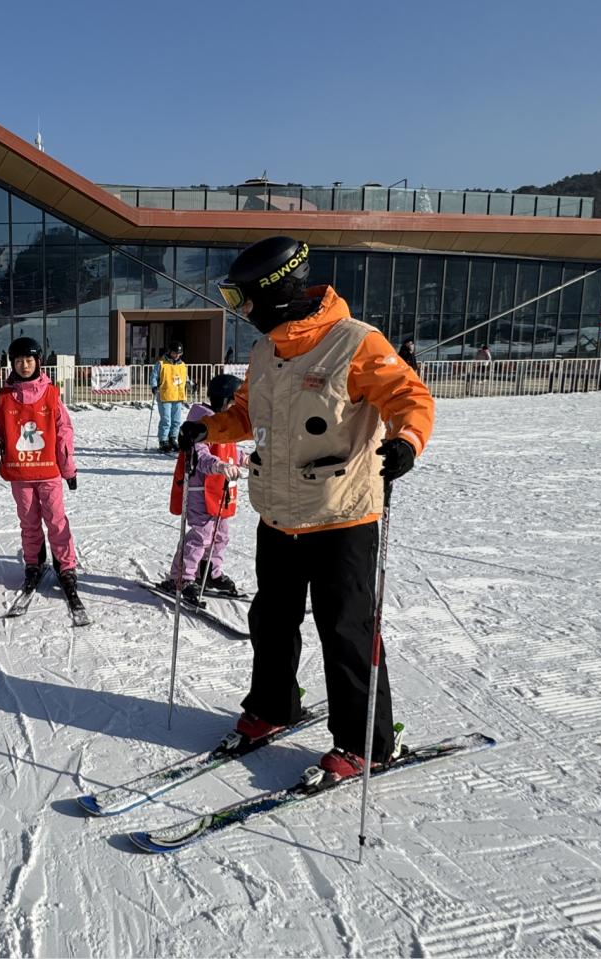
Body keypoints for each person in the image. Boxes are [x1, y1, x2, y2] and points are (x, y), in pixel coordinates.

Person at [183, 235, 435, 782]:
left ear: (274, 293)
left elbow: (409, 398)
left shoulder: (355, 342)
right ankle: (272, 707)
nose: (241, 312)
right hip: (277, 512)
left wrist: (405, 442)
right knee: (271, 619)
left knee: (345, 628)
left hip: (343, 513)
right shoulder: (267, 350)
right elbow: (249, 413)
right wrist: (210, 427)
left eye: (243, 300)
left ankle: (367, 740)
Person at [0, 336, 81, 603]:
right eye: (19, 361)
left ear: (38, 361)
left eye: (29, 360)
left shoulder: (51, 393)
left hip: (48, 471)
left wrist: (68, 470)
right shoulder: (6, 395)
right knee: (29, 521)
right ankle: (33, 563)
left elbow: (63, 433)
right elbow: (1, 425)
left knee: (56, 520)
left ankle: (66, 566)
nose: (24, 365)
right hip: (20, 472)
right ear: (12, 363)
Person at [164, 373, 250, 602]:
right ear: (223, 400)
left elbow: (229, 450)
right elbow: (199, 455)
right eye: (233, 403)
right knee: (200, 536)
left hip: (222, 491)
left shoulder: (224, 424)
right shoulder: (201, 424)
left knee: (221, 536)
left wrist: (245, 459)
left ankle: (210, 572)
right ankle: (182, 577)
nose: (235, 408)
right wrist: (218, 465)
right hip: (201, 491)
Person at [150, 340, 187, 454]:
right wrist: (154, 386)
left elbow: (185, 377)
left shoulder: (182, 365)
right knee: (166, 420)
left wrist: (191, 384)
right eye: (175, 353)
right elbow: (154, 376)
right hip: (165, 395)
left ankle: (173, 438)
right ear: (170, 351)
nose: (177, 356)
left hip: (178, 396)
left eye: (179, 354)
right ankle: (163, 440)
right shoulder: (161, 363)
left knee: (176, 420)